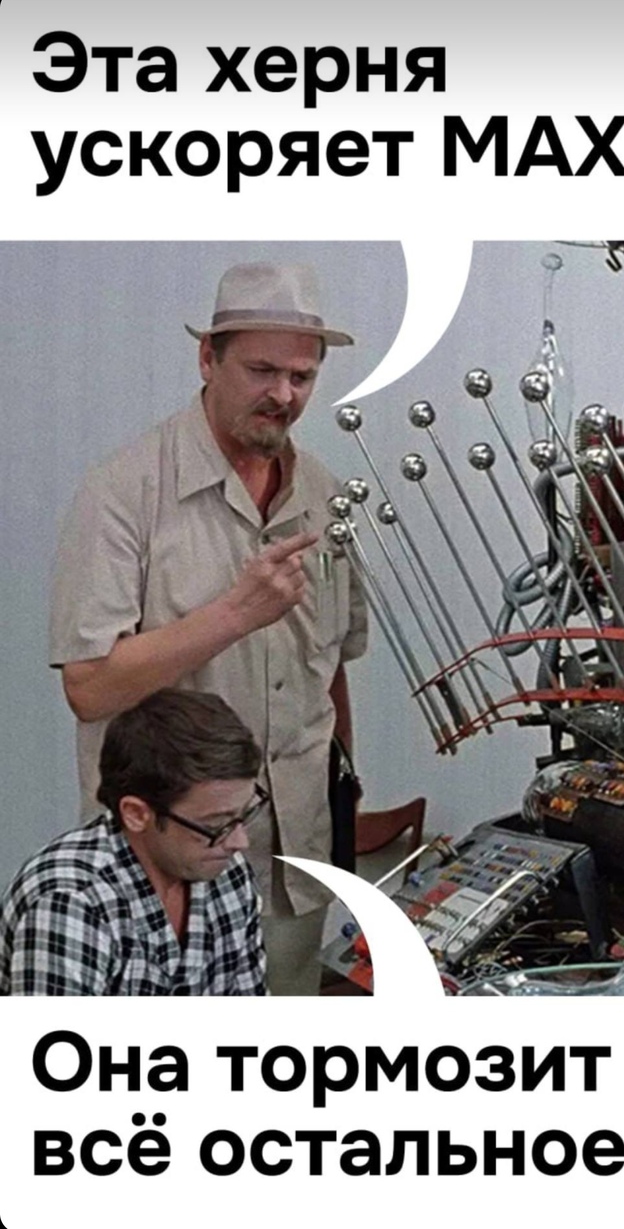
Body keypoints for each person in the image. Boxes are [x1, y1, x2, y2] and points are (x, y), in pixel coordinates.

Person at [49, 261, 368, 995]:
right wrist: (234, 615)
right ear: (207, 358)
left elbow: (331, 667)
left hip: (293, 861)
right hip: (162, 867)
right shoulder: (124, 492)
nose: (283, 394)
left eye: (302, 376)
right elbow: (90, 688)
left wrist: (348, 792)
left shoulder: (325, 496)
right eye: (261, 370)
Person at [0, 689, 266, 995]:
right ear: (136, 814)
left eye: (244, 814)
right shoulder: (70, 903)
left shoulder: (228, 872)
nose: (239, 841)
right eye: (214, 824)